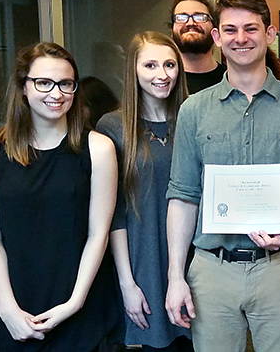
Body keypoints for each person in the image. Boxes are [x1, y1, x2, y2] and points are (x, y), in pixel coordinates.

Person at [164, 0, 280, 352]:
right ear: (217, 37)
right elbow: (184, 195)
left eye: (251, 28)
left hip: (279, 266)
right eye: (231, 30)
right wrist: (176, 276)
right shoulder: (194, 110)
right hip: (212, 269)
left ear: (269, 34)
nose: (241, 39)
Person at [0, 42, 120, 350]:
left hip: (82, 310)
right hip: (13, 310)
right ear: (23, 87)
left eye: (66, 84)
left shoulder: (99, 148)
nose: (57, 94)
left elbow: (98, 234)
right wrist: (7, 310)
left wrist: (75, 303)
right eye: (44, 83)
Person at [96, 31, 192, 351]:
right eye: (150, 65)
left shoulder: (193, 119)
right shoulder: (113, 127)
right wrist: (127, 283)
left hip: (196, 257)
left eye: (169, 65)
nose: (161, 75)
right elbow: (114, 214)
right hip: (144, 259)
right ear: (133, 70)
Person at [170, 0, 226, 94]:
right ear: (171, 31)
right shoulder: (165, 81)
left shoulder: (230, 80)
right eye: (181, 18)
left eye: (200, 17)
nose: (190, 23)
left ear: (215, 32)